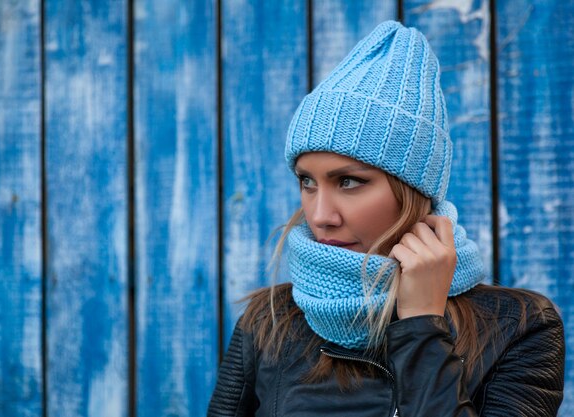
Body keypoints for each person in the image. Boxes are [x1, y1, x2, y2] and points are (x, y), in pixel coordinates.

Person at [207, 20, 565, 417]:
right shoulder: (269, 321)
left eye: (348, 181)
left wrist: (421, 327)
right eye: (307, 181)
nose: (320, 215)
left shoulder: (516, 326)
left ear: (412, 190)